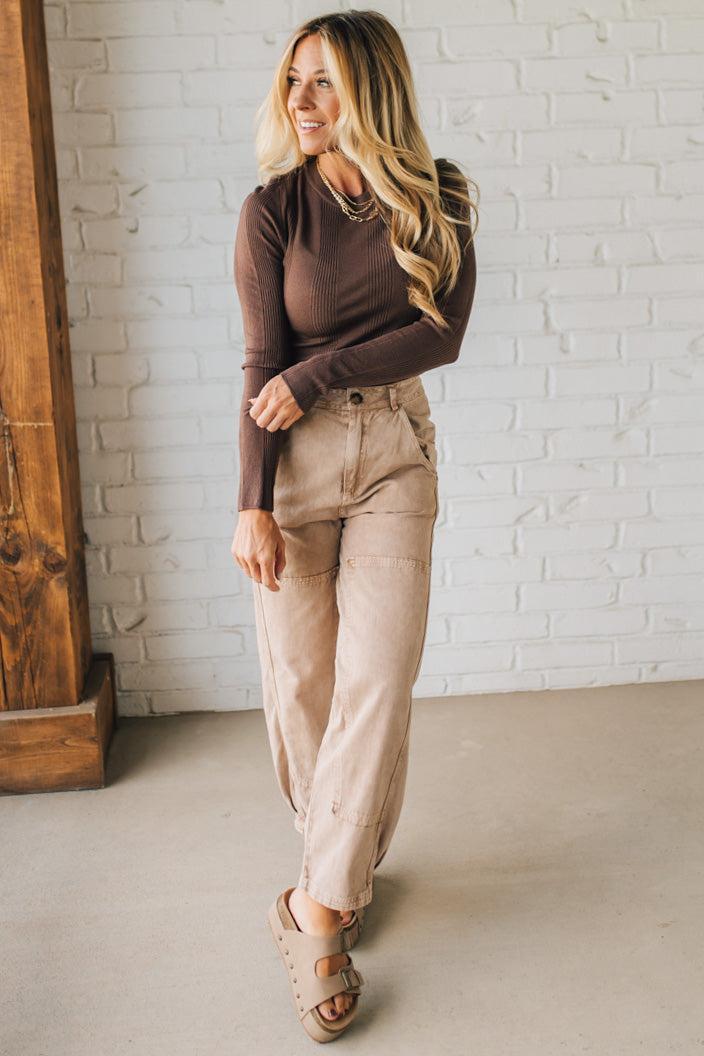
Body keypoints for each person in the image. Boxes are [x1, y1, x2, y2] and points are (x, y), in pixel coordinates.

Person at [231, 9, 478, 1042]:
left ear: (371, 92)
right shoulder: (271, 208)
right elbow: (256, 365)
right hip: (289, 470)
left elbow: (441, 335)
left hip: (390, 457)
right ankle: (340, 868)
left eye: (323, 82)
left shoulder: (439, 195)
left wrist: (320, 369)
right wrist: (247, 500)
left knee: (377, 677)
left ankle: (315, 910)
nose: (300, 101)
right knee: (302, 690)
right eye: (293, 81)